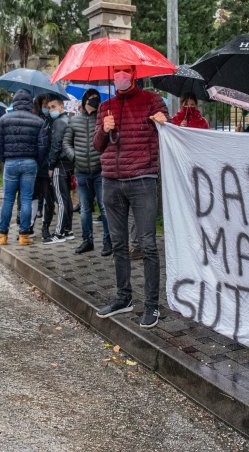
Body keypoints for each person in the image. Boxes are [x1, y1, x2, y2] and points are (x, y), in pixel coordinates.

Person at [93, 64, 168, 329]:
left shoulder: (152, 100)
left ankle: (151, 304)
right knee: (118, 243)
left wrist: (164, 122)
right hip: (111, 181)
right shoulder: (106, 107)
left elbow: (169, 133)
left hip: (142, 180)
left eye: (125, 71)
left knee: (147, 244)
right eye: (116, 72)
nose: (120, 76)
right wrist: (104, 129)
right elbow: (97, 145)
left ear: (134, 74)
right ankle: (123, 297)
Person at [0, 90, 46, 246]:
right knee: (26, 199)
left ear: (14, 102)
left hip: (10, 162)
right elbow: (42, 146)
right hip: (30, 163)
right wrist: (36, 161)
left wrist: (4, 158)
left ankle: (3, 235)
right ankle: (24, 235)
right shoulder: (38, 121)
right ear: (30, 103)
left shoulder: (4, 119)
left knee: (8, 199)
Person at [63, 89, 112, 256]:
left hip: (100, 172)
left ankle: (108, 242)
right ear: (85, 101)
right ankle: (87, 241)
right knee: (84, 209)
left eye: (97, 98)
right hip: (82, 172)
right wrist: (74, 157)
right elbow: (66, 143)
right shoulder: (74, 121)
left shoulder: (102, 120)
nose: (94, 100)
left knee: (104, 208)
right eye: (91, 98)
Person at [44, 96, 74, 244]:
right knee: (66, 199)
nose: (51, 110)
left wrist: (50, 165)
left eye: (53, 107)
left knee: (61, 200)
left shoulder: (58, 122)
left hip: (59, 165)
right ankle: (68, 230)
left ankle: (59, 233)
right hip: (68, 165)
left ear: (62, 106)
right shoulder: (69, 120)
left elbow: (56, 145)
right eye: (49, 108)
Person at [33, 95, 56, 239]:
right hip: (36, 165)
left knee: (49, 199)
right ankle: (28, 228)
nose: (47, 108)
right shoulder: (35, 120)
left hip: (48, 166)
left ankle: (45, 228)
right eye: (44, 105)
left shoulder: (53, 121)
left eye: (49, 105)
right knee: (33, 198)